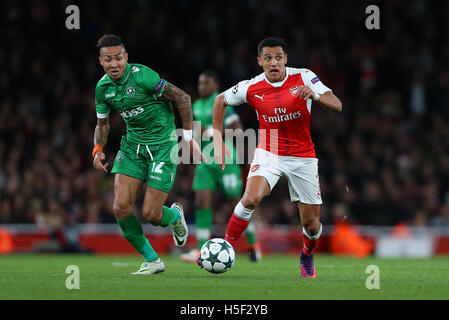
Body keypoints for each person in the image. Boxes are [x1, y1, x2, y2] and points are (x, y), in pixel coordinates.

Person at [212, 37, 342, 278]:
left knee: (312, 225)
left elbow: (337, 104)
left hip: (302, 156)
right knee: (250, 199)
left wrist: (314, 94)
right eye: (268, 58)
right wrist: (218, 139)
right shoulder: (251, 87)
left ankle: (306, 254)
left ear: (286, 59)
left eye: (278, 57)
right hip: (269, 151)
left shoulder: (303, 76)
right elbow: (220, 100)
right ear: (260, 61)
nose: (274, 62)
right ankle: (224, 246)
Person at [92, 34, 205, 275]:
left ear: (126, 58)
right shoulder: (103, 88)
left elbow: (182, 97)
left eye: (118, 58)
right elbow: (102, 125)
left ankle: (174, 216)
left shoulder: (144, 77)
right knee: (121, 208)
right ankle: (152, 260)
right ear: (101, 62)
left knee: (152, 215)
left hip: (163, 146)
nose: (114, 64)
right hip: (132, 148)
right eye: (108, 59)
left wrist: (187, 138)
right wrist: (98, 149)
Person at [180, 70, 261, 263]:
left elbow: (238, 130)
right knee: (201, 202)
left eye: (206, 83)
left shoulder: (223, 103)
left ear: (216, 86)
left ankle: (253, 245)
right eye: (200, 83)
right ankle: (200, 250)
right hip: (205, 162)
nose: (202, 87)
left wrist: (210, 132)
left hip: (226, 159)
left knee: (238, 204)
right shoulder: (197, 105)